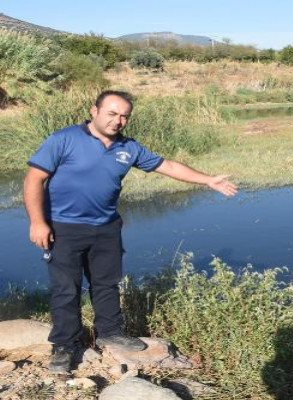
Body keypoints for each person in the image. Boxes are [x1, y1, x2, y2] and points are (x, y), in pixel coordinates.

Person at [23, 90, 238, 375]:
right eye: (112, 113)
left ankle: (109, 333)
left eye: (124, 115)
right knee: (66, 289)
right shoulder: (63, 139)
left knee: (107, 283)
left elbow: (167, 166)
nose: (118, 121)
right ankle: (65, 345)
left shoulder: (129, 148)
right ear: (94, 111)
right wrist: (38, 222)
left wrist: (208, 180)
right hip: (64, 227)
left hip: (107, 227)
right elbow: (34, 179)